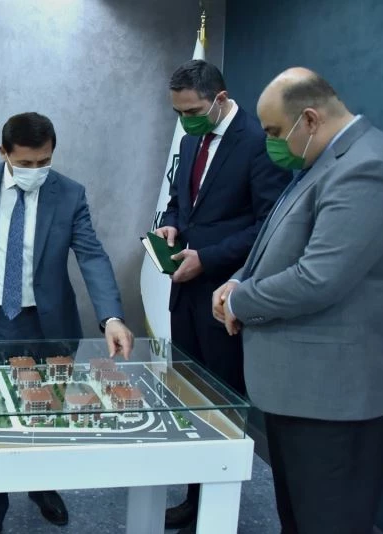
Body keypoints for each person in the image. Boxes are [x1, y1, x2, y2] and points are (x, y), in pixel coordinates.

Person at [215, 67, 383, 534]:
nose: (270, 143)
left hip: (338, 399)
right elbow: (279, 242)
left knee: (329, 521)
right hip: (302, 390)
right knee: (300, 519)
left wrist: (240, 303)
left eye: (273, 132)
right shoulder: (323, 160)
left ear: (308, 118)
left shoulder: (369, 167)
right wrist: (239, 280)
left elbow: (318, 278)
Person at [0, 112, 134, 534]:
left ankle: (43, 485)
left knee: (46, 413)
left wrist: (112, 317)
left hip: (47, 326)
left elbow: (92, 256)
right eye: (25, 163)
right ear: (3, 152)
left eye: (43, 162)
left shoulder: (69, 193)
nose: (35, 171)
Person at [153, 59, 291, 532]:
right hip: (184, 293)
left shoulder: (259, 142)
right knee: (189, 402)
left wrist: (208, 258)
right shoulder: (189, 140)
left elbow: (269, 226)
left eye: (192, 111)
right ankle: (194, 499)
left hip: (224, 299)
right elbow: (180, 202)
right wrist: (171, 225)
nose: (184, 120)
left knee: (220, 408)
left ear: (220, 98)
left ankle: (217, 509)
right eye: (177, 112)